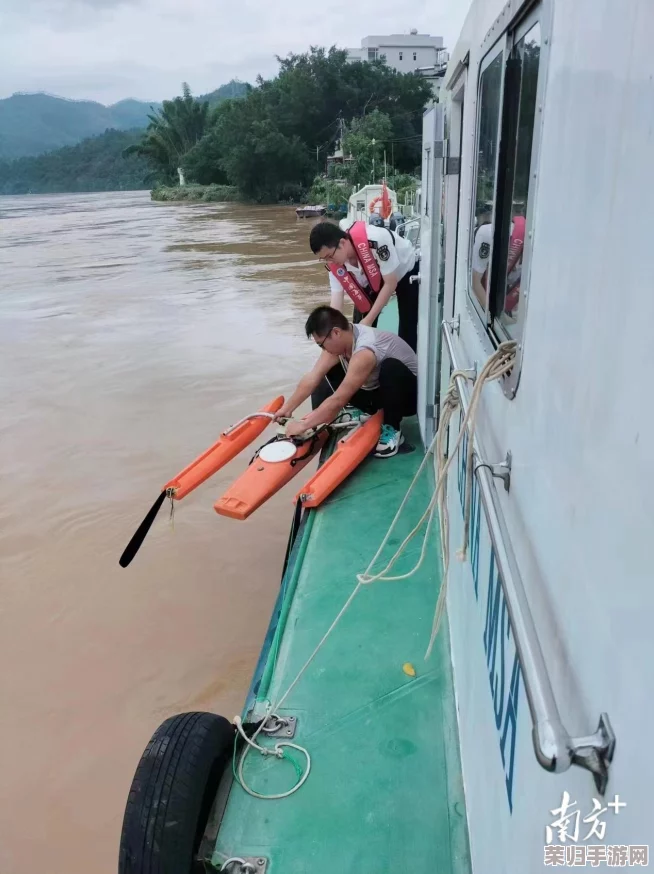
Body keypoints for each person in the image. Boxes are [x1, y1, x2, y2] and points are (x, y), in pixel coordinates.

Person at [278, 305, 417, 458]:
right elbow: (312, 378)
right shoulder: (344, 340)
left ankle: (393, 429)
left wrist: (304, 425)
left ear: (336, 332)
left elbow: (339, 399)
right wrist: (287, 408)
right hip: (380, 392)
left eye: (321, 344)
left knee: (390, 367)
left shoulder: (365, 349)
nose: (322, 349)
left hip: (408, 399)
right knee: (329, 369)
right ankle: (367, 412)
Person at [309, 219, 420, 353]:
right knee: (358, 332)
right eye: (324, 259)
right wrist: (329, 336)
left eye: (329, 256)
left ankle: (408, 366)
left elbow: (390, 283)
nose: (329, 262)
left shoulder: (377, 241)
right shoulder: (335, 264)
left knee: (407, 327)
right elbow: (336, 306)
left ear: (342, 243)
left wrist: (368, 320)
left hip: (403, 273)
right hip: (373, 281)